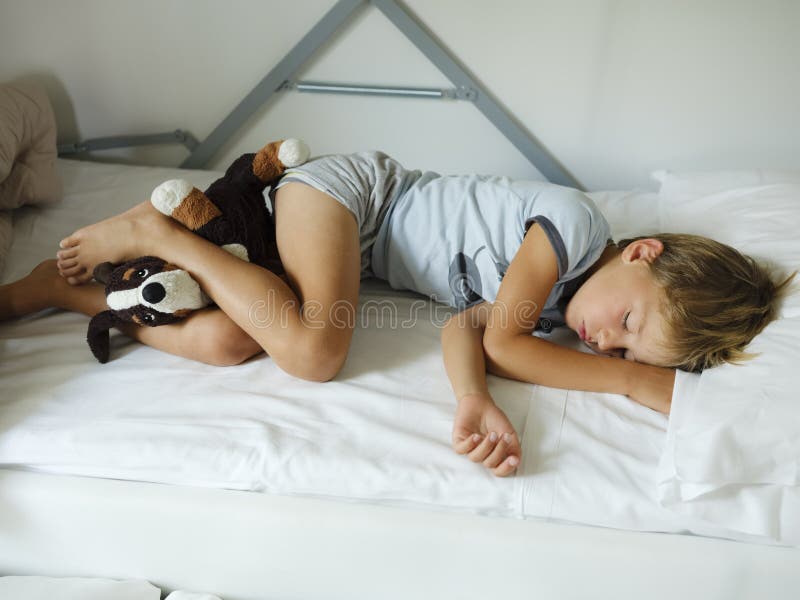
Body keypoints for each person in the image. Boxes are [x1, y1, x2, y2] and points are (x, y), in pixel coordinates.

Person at [0, 151, 791, 478]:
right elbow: (507, 339)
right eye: (630, 323)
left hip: (318, 249)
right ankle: (154, 231)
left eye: (622, 354)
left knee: (227, 339)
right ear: (641, 254)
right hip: (343, 195)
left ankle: (55, 289)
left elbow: (468, 332)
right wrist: (626, 387)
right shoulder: (575, 231)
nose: (603, 341)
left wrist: (473, 396)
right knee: (314, 352)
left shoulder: (562, 310)